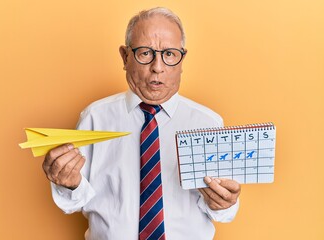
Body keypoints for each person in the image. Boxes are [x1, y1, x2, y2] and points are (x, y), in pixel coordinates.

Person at [42, 7, 241, 240]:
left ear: (182, 59)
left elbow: (223, 212)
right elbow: (75, 201)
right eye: (145, 53)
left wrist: (224, 202)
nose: (158, 67)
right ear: (125, 57)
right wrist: (68, 183)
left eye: (169, 54)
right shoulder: (95, 117)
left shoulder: (208, 123)